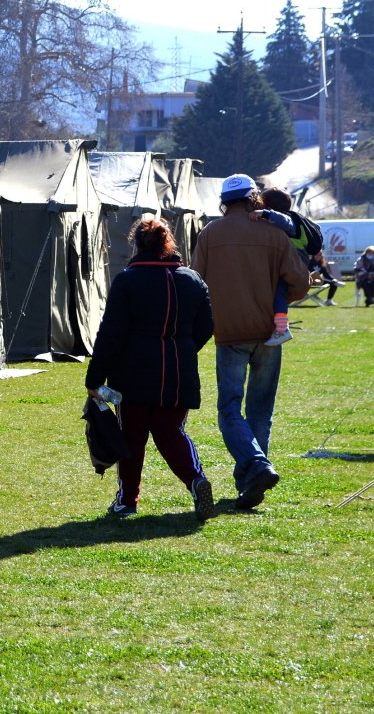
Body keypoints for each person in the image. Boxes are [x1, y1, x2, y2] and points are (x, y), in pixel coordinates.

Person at [85, 215, 216, 520]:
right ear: (168, 243)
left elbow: (111, 333)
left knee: (131, 438)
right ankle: (197, 481)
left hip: (133, 377)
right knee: (171, 434)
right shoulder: (192, 279)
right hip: (178, 374)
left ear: (136, 245)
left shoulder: (127, 280)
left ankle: (127, 501)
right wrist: (182, 349)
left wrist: (95, 378)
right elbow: (206, 327)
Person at [192, 173, 309, 510]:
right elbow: (299, 282)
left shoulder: (211, 234)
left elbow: (196, 281)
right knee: (261, 411)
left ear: (225, 202)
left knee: (230, 408)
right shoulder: (273, 232)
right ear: (253, 198)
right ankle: (254, 479)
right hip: (270, 332)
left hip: (229, 333)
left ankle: (255, 468)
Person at [252, 186, 316, 344]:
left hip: (295, 258)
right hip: (294, 258)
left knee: (279, 289)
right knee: (278, 290)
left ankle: (281, 329)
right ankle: (280, 326)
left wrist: (264, 214)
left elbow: (284, 221)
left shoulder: (287, 218)